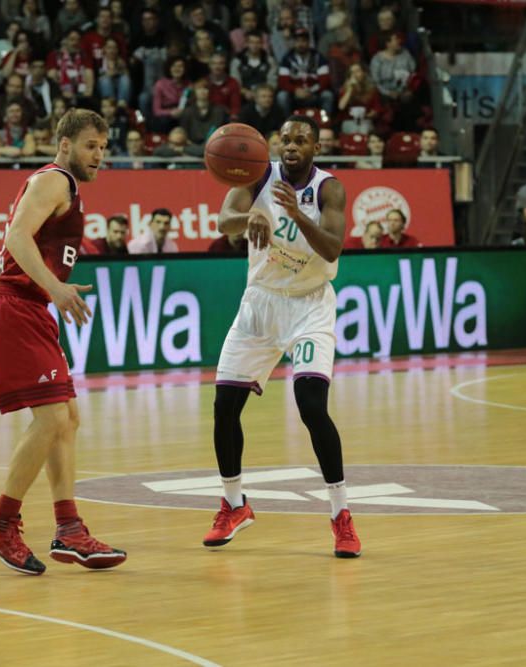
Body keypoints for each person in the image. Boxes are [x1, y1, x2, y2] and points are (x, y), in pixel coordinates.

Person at [0, 108, 126, 575]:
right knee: (51, 418)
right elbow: (16, 237)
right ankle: (1, 524)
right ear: (64, 144)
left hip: (30, 310)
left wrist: (52, 290)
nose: (99, 155)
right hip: (13, 308)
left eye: (103, 146)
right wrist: (55, 288)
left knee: (67, 419)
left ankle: (70, 529)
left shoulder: (65, 186)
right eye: (90, 146)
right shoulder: (54, 180)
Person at [202, 115, 362, 558]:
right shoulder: (257, 175)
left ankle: (340, 514)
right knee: (223, 407)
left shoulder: (329, 188)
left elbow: (332, 247)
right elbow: (224, 220)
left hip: (309, 304)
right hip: (261, 301)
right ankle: (234, 505)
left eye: (301, 141)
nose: (291, 146)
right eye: (285, 140)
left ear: (315, 148)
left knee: (311, 405)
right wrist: (250, 217)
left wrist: (294, 214)